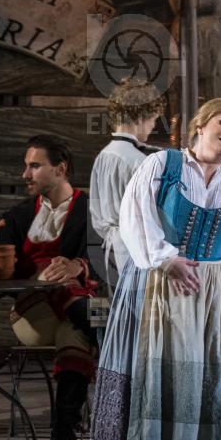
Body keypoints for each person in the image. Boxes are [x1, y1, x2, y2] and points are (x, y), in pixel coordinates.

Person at [84, 98, 221, 440]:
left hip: (213, 290)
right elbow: (134, 217)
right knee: (163, 379)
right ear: (200, 125)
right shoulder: (162, 165)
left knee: (215, 381)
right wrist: (166, 259)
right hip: (160, 282)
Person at [0, 135, 96, 440]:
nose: (25, 174)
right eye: (26, 166)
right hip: (31, 315)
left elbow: (111, 261)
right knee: (66, 293)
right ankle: (100, 328)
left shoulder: (92, 211)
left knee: (72, 336)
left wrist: (80, 265)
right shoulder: (17, 217)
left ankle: (63, 437)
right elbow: (0, 263)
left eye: (34, 166)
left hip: (71, 317)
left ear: (60, 169)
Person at [89, 77, 164, 286]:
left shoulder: (103, 156)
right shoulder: (140, 161)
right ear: (141, 116)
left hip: (112, 248)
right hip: (139, 250)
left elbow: (96, 214)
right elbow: (151, 215)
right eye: (153, 119)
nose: (153, 126)